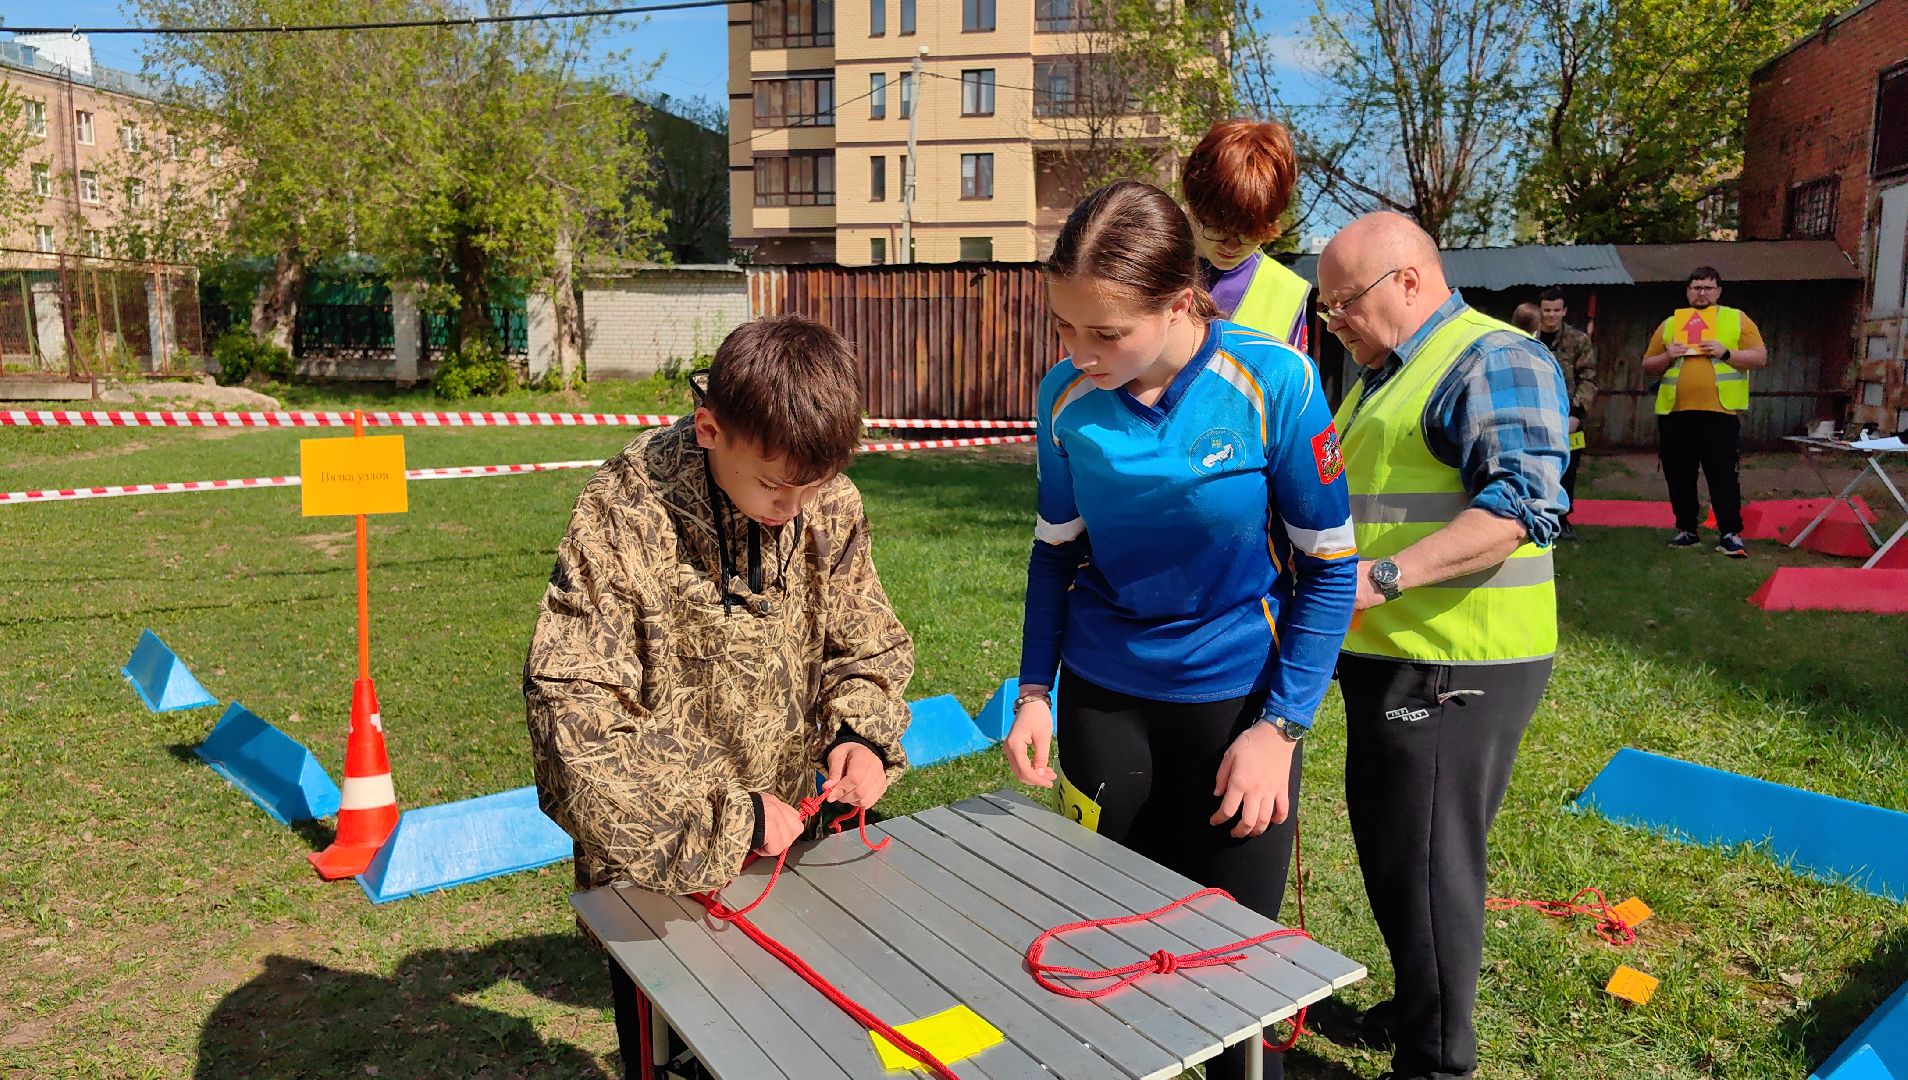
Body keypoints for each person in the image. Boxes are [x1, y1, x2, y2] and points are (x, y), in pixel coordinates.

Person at [1003, 180, 1358, 1080]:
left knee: (1234, 960)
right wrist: (1036, 694)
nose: (1079, 354)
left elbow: (1328, 570)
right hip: (1104, 700)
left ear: (1178, 301)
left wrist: (1278, 732)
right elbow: (1055, 556)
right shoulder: (1065, 401)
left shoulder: (1274, 381)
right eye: (1064, 327)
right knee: (1113, 945)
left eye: (1106, 333)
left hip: (1234, 700)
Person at [524, 315, 914, 1080]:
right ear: (709, 428)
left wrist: (860, 734)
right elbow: (572, 721)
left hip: (793, 850)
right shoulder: (623, 515)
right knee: (668, 1053)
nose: (793, 508)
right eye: (774, 485)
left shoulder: (823, 502)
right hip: (657, 873)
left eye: (814, 485)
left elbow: (865, 644)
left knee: (796, 1046)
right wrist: (728, 818)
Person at [1317, 212, 1570, 1080]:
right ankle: (1419, 1010)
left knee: (1426, 860)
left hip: (1457, 656)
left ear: (1411, 280)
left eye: (1344, 301)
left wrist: (1379, 580)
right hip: (1394, 651)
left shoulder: (1495, 358)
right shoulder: (1386, 373)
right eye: (1326, 308)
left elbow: (1520, 507)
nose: (1334, 320)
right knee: (1401, 851)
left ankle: (1437, 1061)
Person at [1641, 265, 1768, 557]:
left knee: (1722, 474)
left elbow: (1760, 357)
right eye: (1696, 287)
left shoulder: (1736, 319)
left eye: (1707, 288)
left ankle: (1730, 533)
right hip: (1676, 412)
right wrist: (1667, 356)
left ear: (1718, 291)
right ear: (1687, 291)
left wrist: (1726, 352)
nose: (1701, 293)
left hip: (1720, 412)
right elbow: (1648, 365)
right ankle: (1687, 529)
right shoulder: (1671, 323)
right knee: (1679, 475)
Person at [1181, 118, 1313, 350]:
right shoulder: (1144, 267)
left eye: (1250, 234)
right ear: (1193, 206)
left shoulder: (1288, 294)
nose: (1231, 247)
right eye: (1218, 229)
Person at [1536, 287, 1599, 541]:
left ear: (1564, 311)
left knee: (1567, 468)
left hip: (1567, 416)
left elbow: (1589, 377)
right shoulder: (1526, 336)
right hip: (1534, 412)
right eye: (1546, 310)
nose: (1551, 315)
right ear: (1539, 310)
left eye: (1556, 310)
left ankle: (1562, 518)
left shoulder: (1578, 340)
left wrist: (1576, 413)